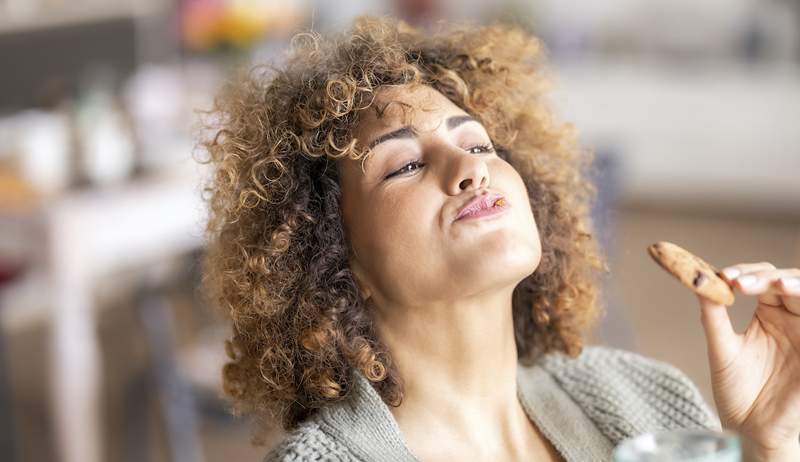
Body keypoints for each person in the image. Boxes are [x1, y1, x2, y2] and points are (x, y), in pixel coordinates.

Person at [200, 15, 800, 461]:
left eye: (478, 144)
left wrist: (769, 443)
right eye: (405, 165)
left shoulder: (643, 395)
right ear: (332, 257)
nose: (470, 169)